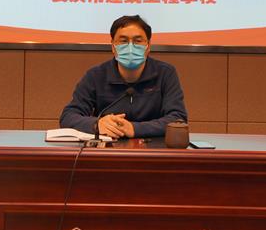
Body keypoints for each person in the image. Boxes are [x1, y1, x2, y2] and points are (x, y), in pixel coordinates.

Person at [59, 15, 187, 139]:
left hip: (154, 148)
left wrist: (135, 129)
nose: (130, 47)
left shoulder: (165, 73)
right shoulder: (96, 75)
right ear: (113, 47)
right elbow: (68, 116)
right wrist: (97, 124)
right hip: (108, 148)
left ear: (148, 46)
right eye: (123, 41)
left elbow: (178, 119)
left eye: (138, 41)